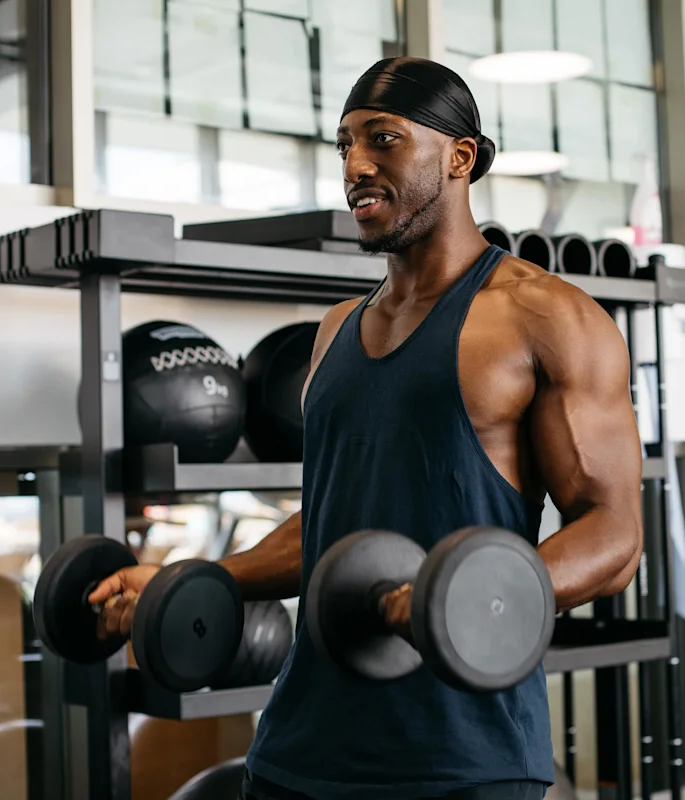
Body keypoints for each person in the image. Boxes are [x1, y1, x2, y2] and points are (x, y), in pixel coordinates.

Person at [88, 56, 644, 800]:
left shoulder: (548, 319)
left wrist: (454, 600)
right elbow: (327, 528)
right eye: (344, 144)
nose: (355, 165)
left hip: (462, 759)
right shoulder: (335, 332)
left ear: (460, 156)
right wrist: (196, 579)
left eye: (382, 140)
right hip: (298, 751)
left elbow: (614, 538)